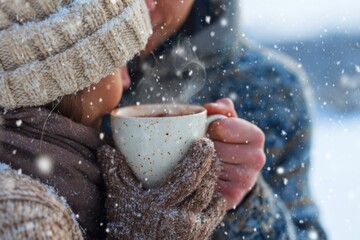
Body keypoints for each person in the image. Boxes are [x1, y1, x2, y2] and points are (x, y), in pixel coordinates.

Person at [0, 0, 266, 239]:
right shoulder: (26, 212)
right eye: (118, 62)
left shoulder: (268, 88)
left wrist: (240, 205)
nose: (126, 82)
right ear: (73, 73)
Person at [112, 0, 328, 239]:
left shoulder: (274, 89)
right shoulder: (69, 82)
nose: (142, 4)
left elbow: (305, 233)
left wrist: (247, 206)